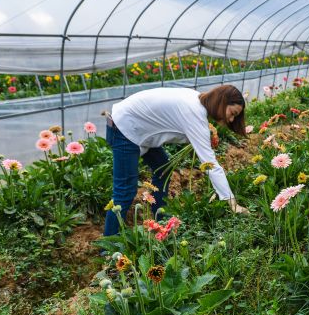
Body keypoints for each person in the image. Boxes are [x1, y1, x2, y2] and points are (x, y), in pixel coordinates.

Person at [104, 85, 248, 236]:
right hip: (124, 128)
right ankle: (108, 247)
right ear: (222, 101)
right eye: (233, 113)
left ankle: (161, 222)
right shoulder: (195, 114)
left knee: (163, 169)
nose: (231, 119)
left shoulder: (196, 102)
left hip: (135, 125)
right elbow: (211, 165)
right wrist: (232, 202)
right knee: (125, 190)